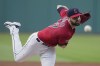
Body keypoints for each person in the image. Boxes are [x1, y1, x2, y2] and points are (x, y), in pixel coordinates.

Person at [4, 5, 91, 66]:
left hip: (49, 48)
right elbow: (62, 46)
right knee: (17, 59)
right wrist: (66, 41)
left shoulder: (65, 15)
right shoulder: (65, 32)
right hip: (36, 42)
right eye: (75, 17)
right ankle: (14, 28)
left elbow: (59, 6)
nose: (78, 19)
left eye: (79, 16)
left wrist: (67, 12)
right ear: (69, 18)